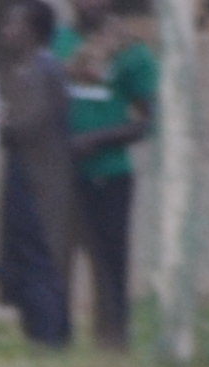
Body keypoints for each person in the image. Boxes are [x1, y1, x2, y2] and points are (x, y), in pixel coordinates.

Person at [60, 14, 149, 348]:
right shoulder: (57, 41)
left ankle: (112, 343)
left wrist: (95, 140)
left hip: (107, 174)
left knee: (109, 266)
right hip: (61, 176)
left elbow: (148, 119)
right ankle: (55, 342)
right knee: (56, 261)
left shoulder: (130, 51)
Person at [0, 0, 69, 346]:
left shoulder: (42, 69)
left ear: (32, 31)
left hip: (37, 177)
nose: (8, 31)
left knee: (36, 256)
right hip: (26, 171)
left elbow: (28, 124)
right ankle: (39, 332)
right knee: (24, 255)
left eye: (14, 25)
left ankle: (49, 335)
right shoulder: (27, 69)